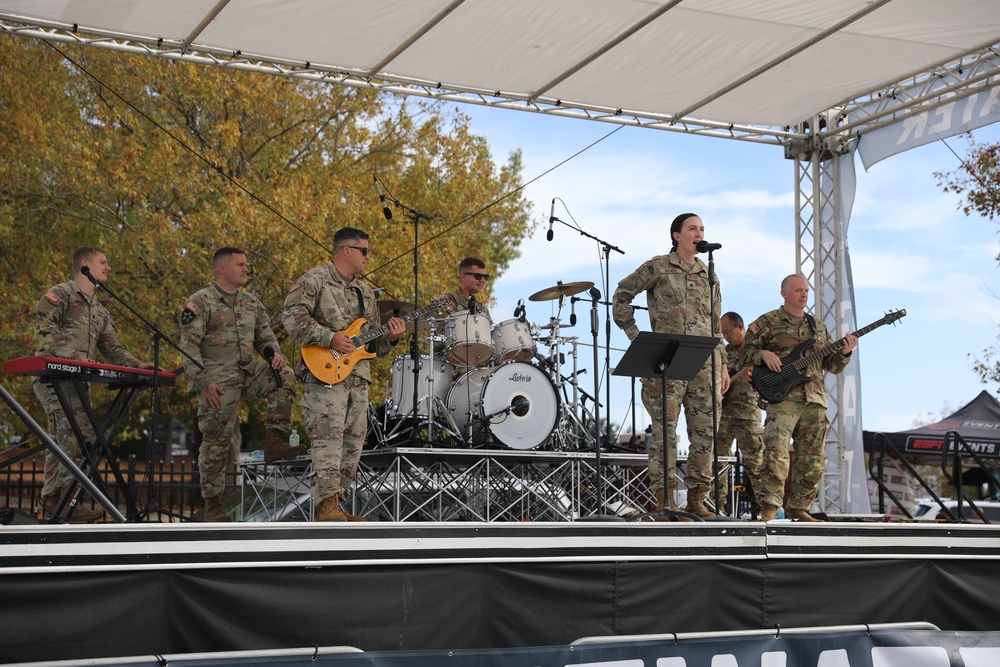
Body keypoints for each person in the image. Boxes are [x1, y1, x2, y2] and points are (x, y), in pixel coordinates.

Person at [282, 227, 405, 522]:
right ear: (345, 250)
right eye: (364, 251)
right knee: (327, 438)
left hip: (358, 378)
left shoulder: (365, 292)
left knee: (353, 441)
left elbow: (372, 346)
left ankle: (338, 502)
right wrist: (329, 338)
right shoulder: (314, 280)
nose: (368, 257)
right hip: (324, 374)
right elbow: (291, 319)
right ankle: (325, 504)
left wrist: (391, 339)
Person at [613, 213, 730, 519]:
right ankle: (665, 501)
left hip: (704, 362)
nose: (699, 232)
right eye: (693, 228)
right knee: (666, 433)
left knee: (706, 434)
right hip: (666, 361)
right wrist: (637, 338)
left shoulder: (710, 274)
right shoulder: (658, 266)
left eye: (702, 228)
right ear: (677, 235)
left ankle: (697, 500)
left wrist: (723, 366)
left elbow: (715, 324)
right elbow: (622, 295)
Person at [33, 246, 159, 522]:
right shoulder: (61, 293)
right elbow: (44, 328)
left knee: (69, 437)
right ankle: (64, 501)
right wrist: (71, 355)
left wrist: (136, 365)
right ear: (85, 265)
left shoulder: (100, 311)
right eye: (103, 262)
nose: (108, 267)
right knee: (73, 433)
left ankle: (55, 500)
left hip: (77, 380)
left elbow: (112, 348)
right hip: (53, 376)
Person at [179, 247, 305, 523]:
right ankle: (212, 505)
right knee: (216, 441)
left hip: (248, 371)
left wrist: (275, 356)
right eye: (240, 265)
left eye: (246, 264)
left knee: (286, 377)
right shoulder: (201, 301)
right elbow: (188, 349)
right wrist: (204, 382)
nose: (246, 269)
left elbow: (266, 339)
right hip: (217, 380)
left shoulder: (252, 303)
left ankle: (275, 441)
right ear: (222, 268)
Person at [739, 274, 857, 522]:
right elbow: (742, 352)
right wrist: (763, 354)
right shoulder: (768, 321)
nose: (804, 295)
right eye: (798, 291)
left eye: (806, 290)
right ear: (784, 293)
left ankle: (800, 507)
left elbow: (832, 366)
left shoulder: (818, 326)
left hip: (814, 400)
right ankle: (769, 509)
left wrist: (845, 352)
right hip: (783, 399)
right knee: (776, 454)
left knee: (813, 459)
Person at [717, 311, 764, 515]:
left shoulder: (755, 351)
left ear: (741, 327)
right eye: (723, 333)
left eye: (728, 331)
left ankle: (767, 507)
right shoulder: (723, 354)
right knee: (718, 461)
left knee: (756, 462)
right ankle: (716, 505)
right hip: (724, 414)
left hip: (748, 413)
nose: (726, 336)